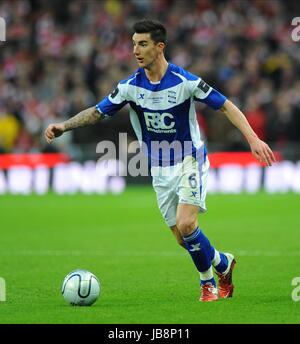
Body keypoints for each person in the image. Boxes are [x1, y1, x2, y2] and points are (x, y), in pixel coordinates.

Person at [45, 19, 276, 302]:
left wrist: (253, 139)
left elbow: (226, 105)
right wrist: (63, 126)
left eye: (142, 44)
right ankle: (222, 264)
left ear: (159, 47)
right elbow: (97, 112)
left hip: (190, 160)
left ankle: (207, 285)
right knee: (182, 237)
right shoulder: (130, 87)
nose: (135, 50)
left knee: (187, 224)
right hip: (159, 167)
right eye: (133, 44)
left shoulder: (184, 82)